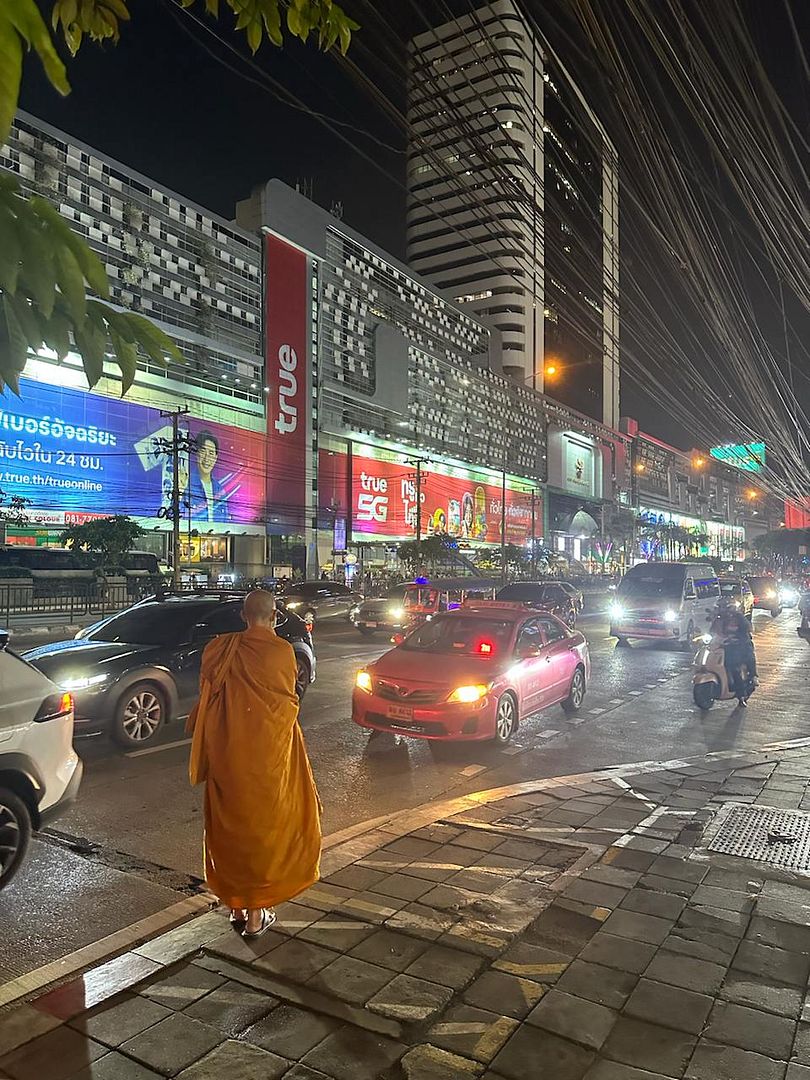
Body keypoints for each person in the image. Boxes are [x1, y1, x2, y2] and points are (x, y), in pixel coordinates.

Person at [186, 589, 321, 936]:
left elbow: (208, 699)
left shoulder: (219, 648)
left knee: (230, 830)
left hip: (228, 755)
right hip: (268, 758)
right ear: (274, 616)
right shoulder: (281, 652)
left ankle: (236, 906)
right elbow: (287, 705)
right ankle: (258, 913)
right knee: (264, 830)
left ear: (244, 616)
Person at [710, 599, 758, 706]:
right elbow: (712, 631)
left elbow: (748, 629)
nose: (722, 611)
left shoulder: (739, 618)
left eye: (724, 608)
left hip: (740, 646)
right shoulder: (720, 619)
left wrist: (737, 638)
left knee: (733, 667)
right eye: (720, 608)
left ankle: (741, 695)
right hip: (724, 645)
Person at [189, 430, 228, 523]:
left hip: (217, 536)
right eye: (203, 451)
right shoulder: (186, 484)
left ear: (216, 457)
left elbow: (225, 521)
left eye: (211, 453)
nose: (207, 458)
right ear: (196, 454)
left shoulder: (220, 490)